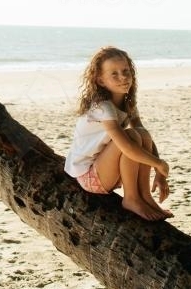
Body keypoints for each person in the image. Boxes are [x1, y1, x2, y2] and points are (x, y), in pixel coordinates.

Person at [64, 46, 172, 221]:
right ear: (100, 80)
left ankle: (145, 196)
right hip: (90, 176)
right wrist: (158, 164)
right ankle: (131, 198)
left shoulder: (128, 102)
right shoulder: (103, 107)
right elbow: (127, 147)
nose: (123, 77)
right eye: (114, 74)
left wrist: (160, 171)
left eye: (126, 71)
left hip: (108, 169)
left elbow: (146, 138)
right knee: (131, 137)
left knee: (140, 133)